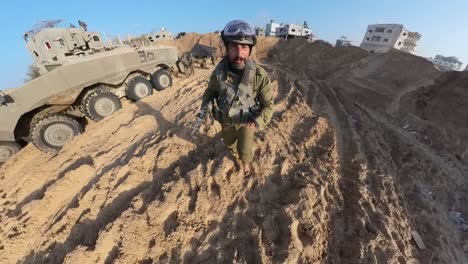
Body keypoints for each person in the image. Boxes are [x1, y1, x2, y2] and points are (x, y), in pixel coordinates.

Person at [194, 20, 274, 176]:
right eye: (233, 47)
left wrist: (256, 122)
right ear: (227, 49)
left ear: (250, 50)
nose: (239, 53)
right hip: (226, 121)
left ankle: (245, 164)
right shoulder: (219, 72)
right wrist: (206, 107)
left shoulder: (259, 75)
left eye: (244, 47)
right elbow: (210, 92)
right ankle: (236, 153)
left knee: (245, 149)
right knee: (230, 144)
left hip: (246, 122)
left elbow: (268, 105)